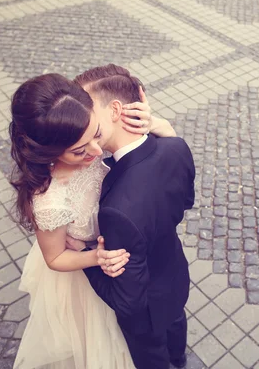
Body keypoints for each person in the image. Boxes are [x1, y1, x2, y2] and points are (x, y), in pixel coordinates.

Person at [10, 70, 176, 368]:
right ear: (47, 152)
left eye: (95, 134)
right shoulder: (50, 201)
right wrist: (95, 257)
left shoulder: (77, 127)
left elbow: (107, 89)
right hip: (84, 278)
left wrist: (153, 123)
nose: (97, 151)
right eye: (79, 151)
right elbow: (55, 257)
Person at [77, 65, 195, 369]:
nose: (79, 119)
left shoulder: (116, 210)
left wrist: (85, 257)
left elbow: (127, 303)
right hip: (175, 277)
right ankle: (179, 361)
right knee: (176, 331)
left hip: (146, 312)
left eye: (86, 109)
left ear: (115, 110)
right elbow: (185, 202)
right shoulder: (175, 145)